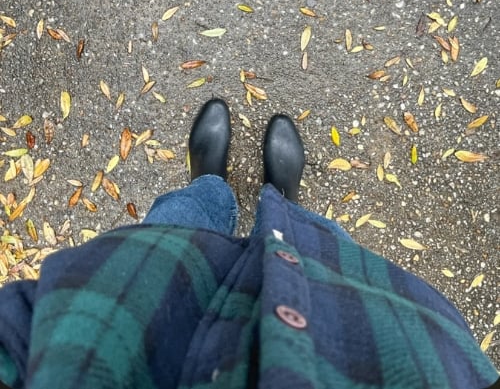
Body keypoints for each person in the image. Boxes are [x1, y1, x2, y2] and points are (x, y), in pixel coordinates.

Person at [0, 98, 498, 389]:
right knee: (319, 252)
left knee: (175, 225)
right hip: (372, 346)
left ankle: (207, 184)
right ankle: (283, 202)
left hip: (138, 331)